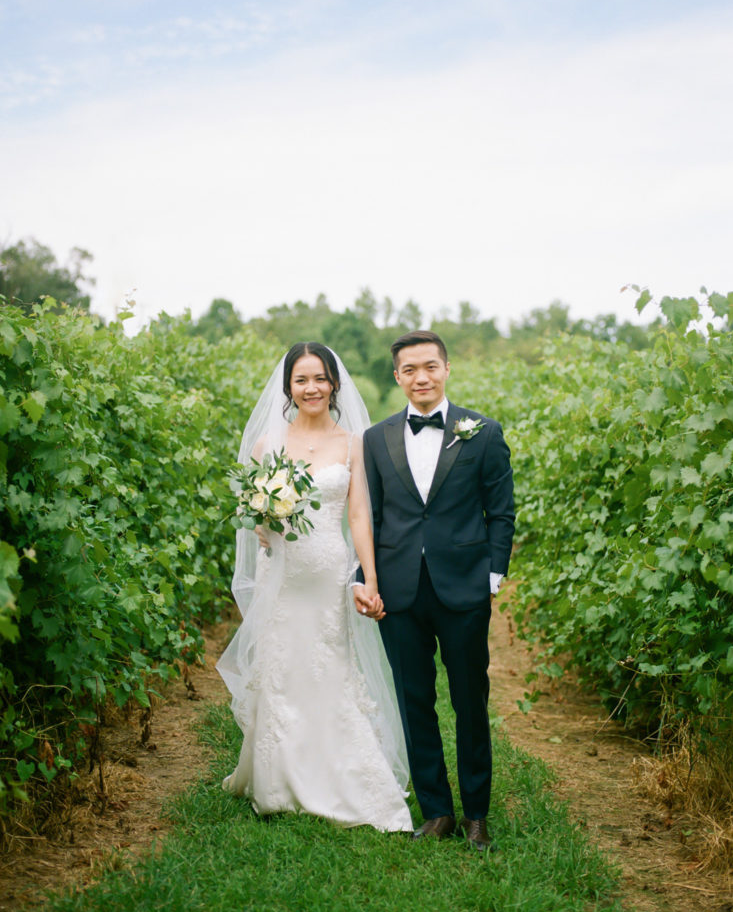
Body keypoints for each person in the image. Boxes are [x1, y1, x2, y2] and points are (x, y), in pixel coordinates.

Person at [217, 342, 412, 833]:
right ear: (288, 388)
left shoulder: (352, 443)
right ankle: (278, 780)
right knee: (282, 668)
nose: (312, 388)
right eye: (301, 380)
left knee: (329, 667)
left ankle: (341, 775)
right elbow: (254, 518)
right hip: (281, 575)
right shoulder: (267, 445)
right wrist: (262, 525)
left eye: (320, 379)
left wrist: (368, 576)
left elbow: (359, 513)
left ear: (335, 384)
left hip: (328, 572)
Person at [361, 330, 514, 850]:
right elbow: (373, 516)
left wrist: (492, 576)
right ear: (398, 376)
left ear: (446, 369)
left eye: (430, 366)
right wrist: (369, 581)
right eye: (409, 369)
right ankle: (436, 811)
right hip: (400, 592)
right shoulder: (376, 438)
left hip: (464, 587)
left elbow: (502, 511)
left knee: (470, 700)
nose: (420, 377)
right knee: (414, 701)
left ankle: (476, 815)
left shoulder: (483, 433)